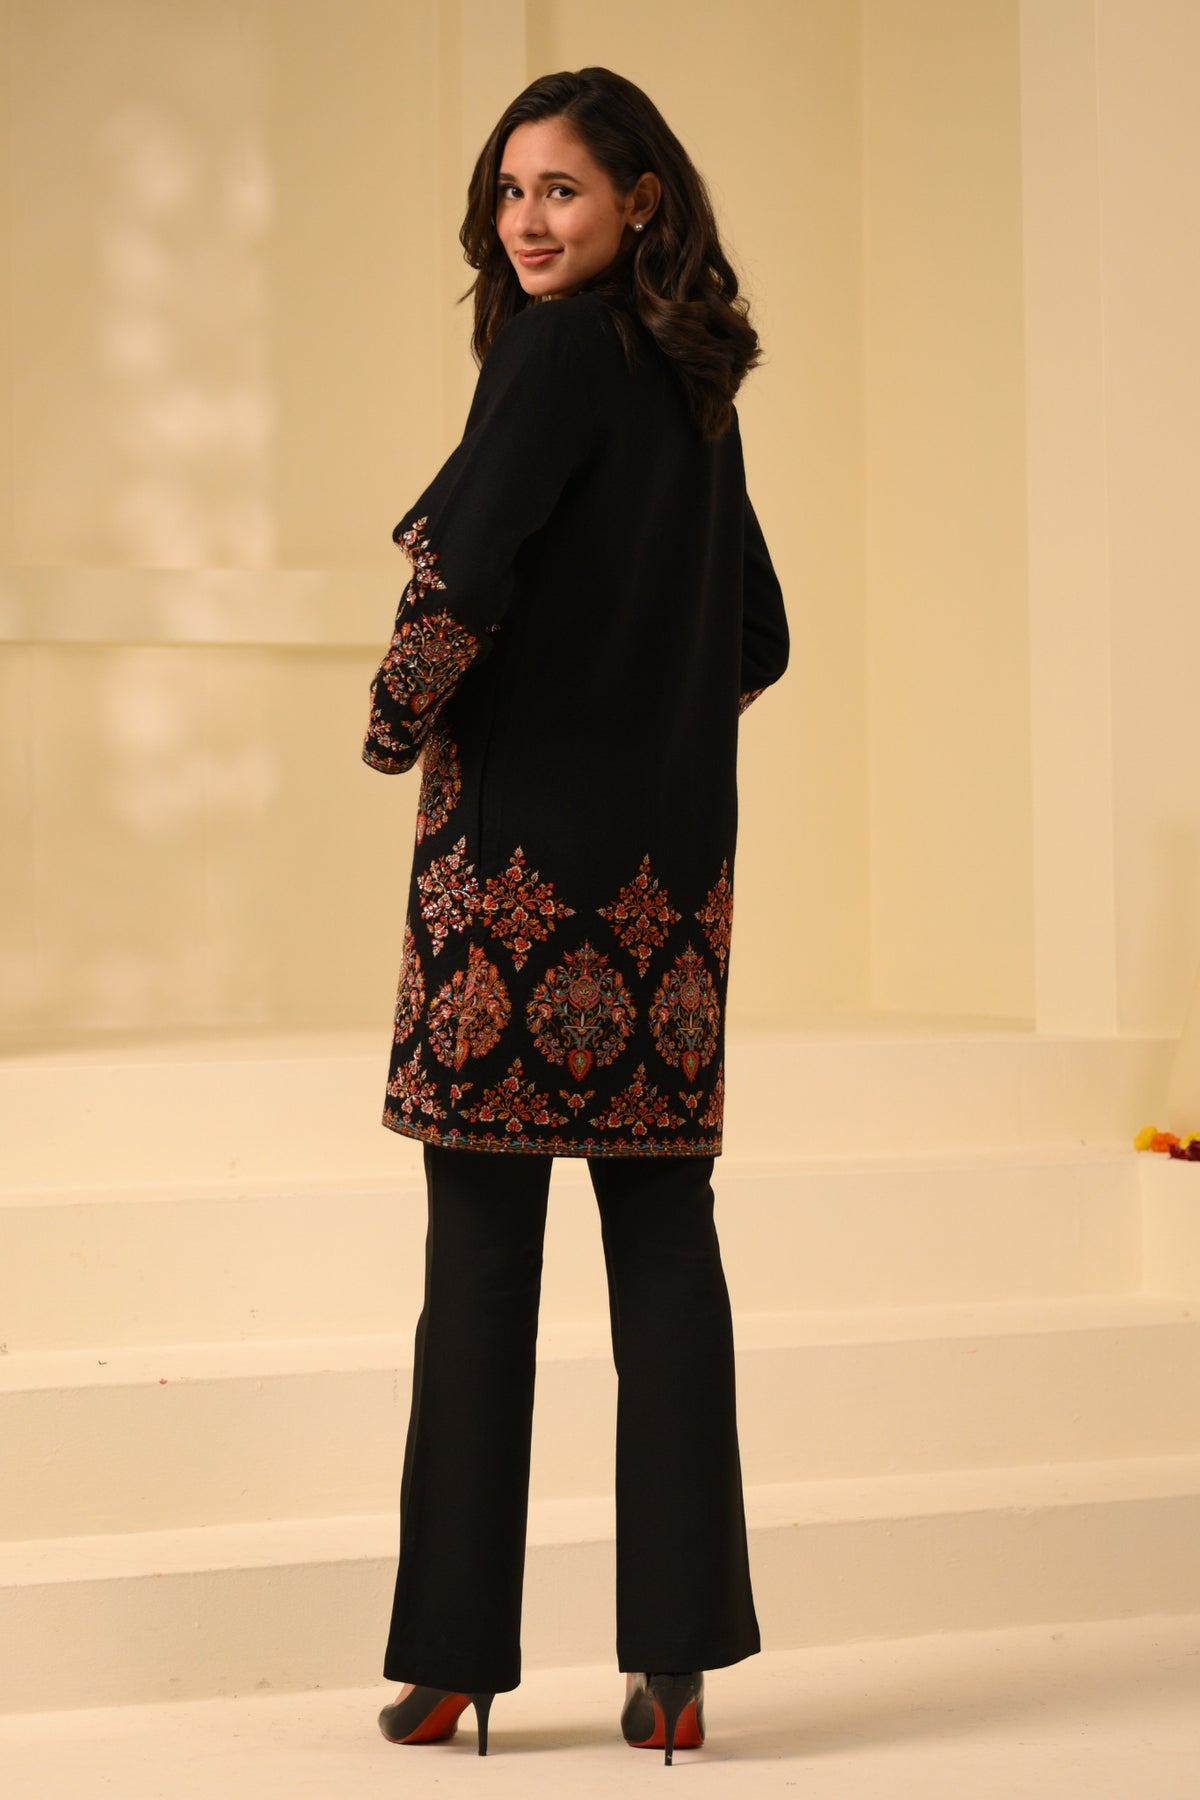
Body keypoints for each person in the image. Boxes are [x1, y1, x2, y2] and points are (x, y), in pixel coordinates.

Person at [362, 66, 789, 1765]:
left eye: (562, 190)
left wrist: (396, 721)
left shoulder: (549, 355)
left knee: (480, 1264)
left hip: (512, 893)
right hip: (668, 898)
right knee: (665, 1249)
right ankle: (675, 1670)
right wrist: (644, 724)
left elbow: (462, 572)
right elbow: (754, 632)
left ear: (639, 201)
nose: (528, 221)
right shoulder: (694, 383)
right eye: (511, 190)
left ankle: (454, 1663)